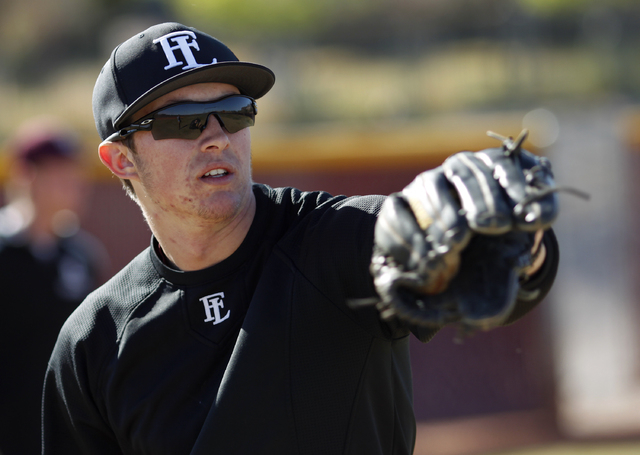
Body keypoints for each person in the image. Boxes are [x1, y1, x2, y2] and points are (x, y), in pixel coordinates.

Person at [41, 22, 559, 454]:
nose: (218, 136)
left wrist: (519, 241)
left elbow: (494, 272)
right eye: (184, 121)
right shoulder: (93, 344)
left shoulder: (342, 243)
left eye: (236, 110)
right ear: (121, 159)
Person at [0, 119, 108, 455]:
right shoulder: (5, 252)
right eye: (58, 173)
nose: (73, 184)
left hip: (58, 433)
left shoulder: (81, 254)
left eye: (74, 173)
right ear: (26, 175)